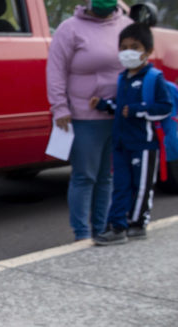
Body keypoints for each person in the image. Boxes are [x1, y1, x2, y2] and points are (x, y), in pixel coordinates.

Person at [46, 0, 133, 241]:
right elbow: (56, 70)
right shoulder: (69, 29)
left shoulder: (126, 25)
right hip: (84, 117)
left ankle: (101, 228)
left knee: (106, 177)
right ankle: (82, 233)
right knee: (85, 176)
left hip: (117, 115)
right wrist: (60, 107)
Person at [90, 23, 172, 245]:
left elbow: (165, 107)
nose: (128, 52)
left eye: (134, 47)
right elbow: (120, 108)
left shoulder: (154, 77)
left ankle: (137, 223)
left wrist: (138, 110)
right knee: (121, 185)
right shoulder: (122, 78)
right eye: (123, 47)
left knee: (142, 186)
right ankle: (118, 225)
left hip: (144, 144)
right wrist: (105, 105)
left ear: (147, 51)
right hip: (121, 143)